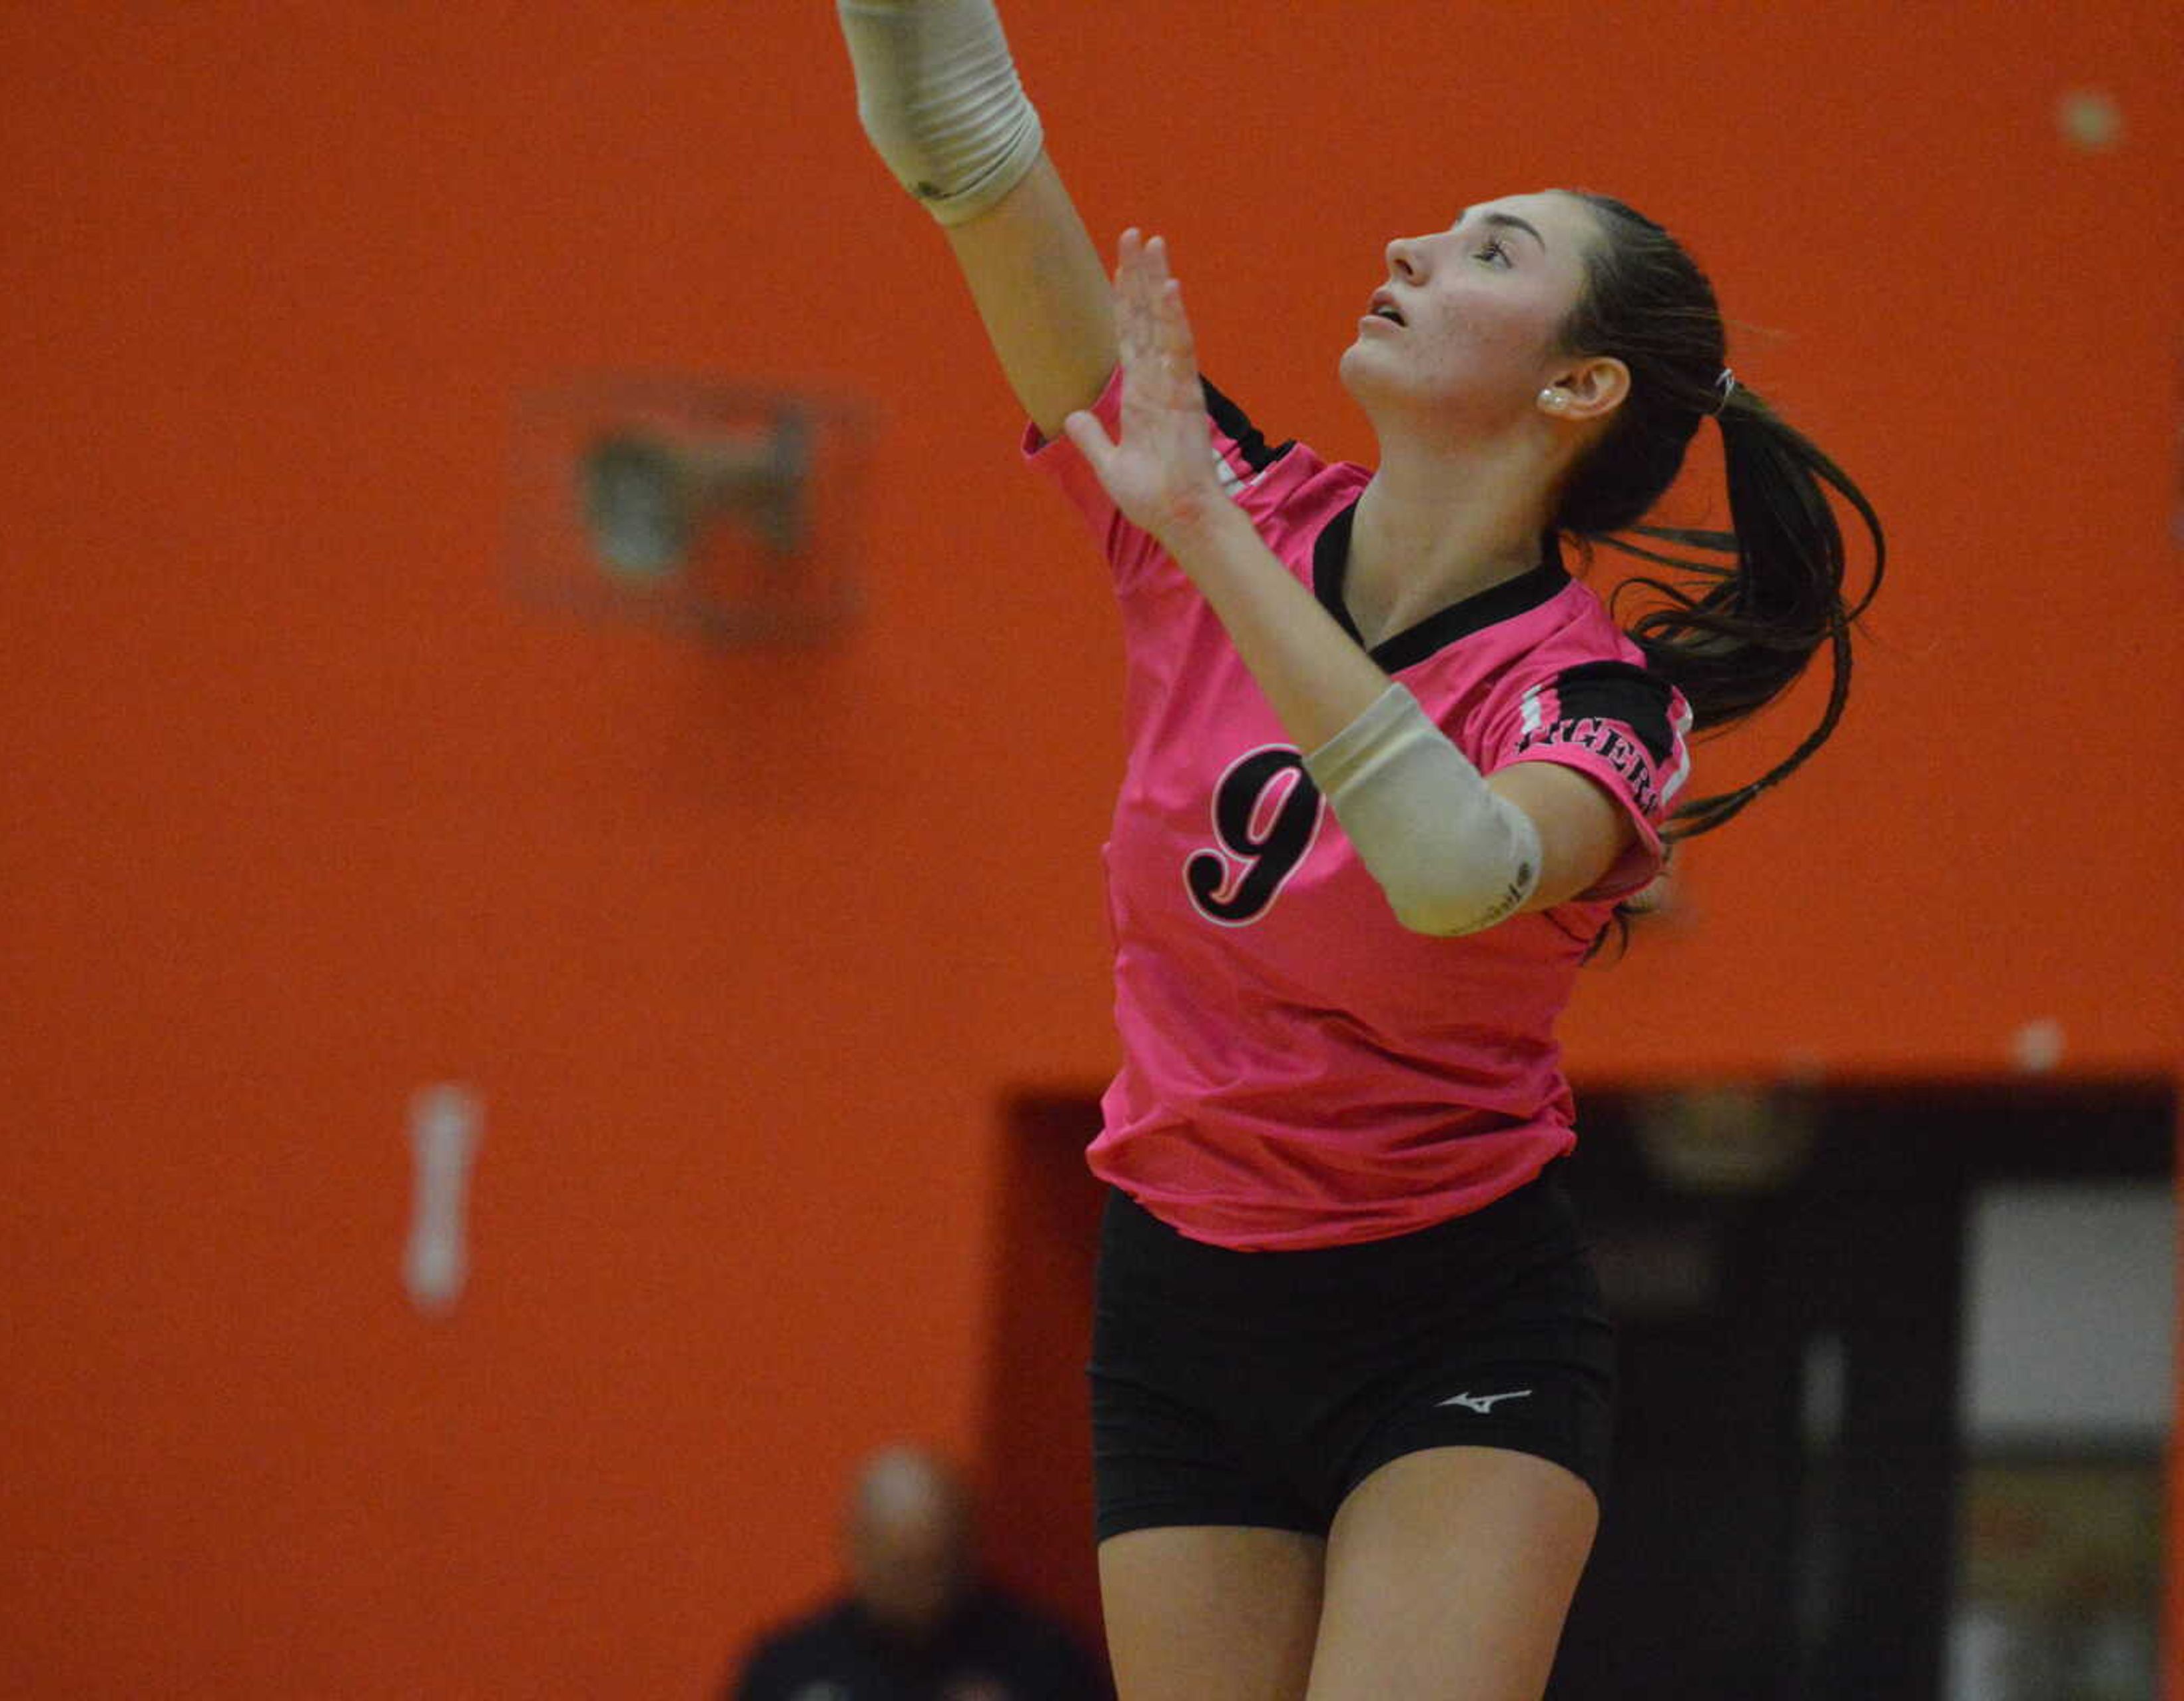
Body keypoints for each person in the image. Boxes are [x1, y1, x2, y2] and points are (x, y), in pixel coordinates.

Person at [831, 5, 1886, 1700]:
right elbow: (969, 148)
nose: (1407, 245)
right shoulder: (1213, 496)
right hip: (1180, 1293)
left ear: (1577, 382)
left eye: (1487, 250)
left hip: (1446, 1317)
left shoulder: (1587, 690)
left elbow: (1453, 865)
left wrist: (1200, 530)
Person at [730, 1445, 1108, 1701]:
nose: (922, 1591)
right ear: (856, 1549)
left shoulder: (1043, 1662)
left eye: (937, 1565)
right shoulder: (791, 1669)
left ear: (967, 1547)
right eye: (902, 1568)